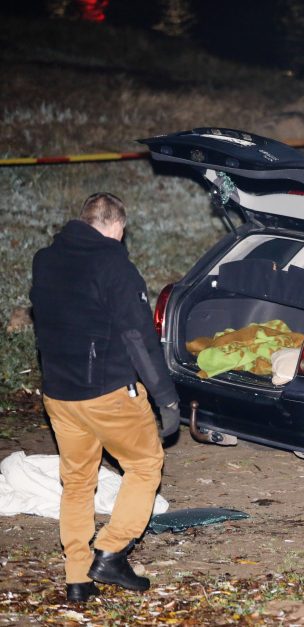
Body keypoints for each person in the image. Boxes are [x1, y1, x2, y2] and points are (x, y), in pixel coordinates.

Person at [30, 193, 181, 603]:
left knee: (78, 482)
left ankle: (77, 577)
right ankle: (112, 550)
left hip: (59, 394)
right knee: (145, 465)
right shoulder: (115, 264)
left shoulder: (45, 260)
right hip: (108, 394)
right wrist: (166, 399)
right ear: (118, 226)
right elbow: (138, 337)